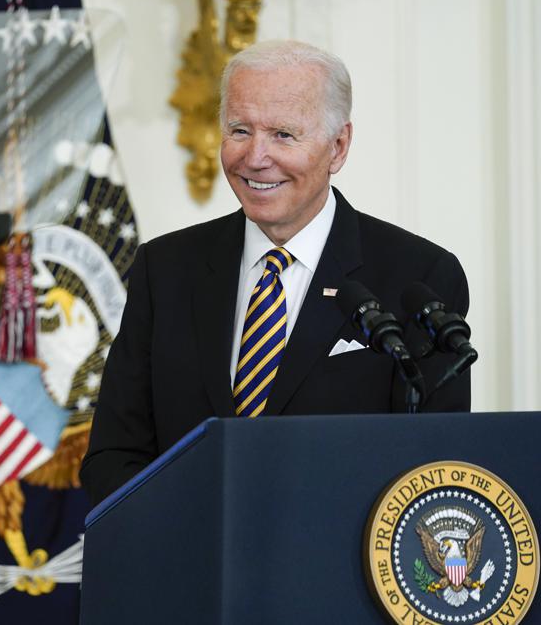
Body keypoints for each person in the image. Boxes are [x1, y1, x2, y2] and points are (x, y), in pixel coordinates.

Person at [79, 40, 470, 506]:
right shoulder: (164, 269)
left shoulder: (418, 275)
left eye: (283, 135)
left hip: (339, 568)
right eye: (240, 130)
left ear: (338, 147)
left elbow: (437, 468)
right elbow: (114, 455)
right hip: (192, 564)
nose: (255, 157)